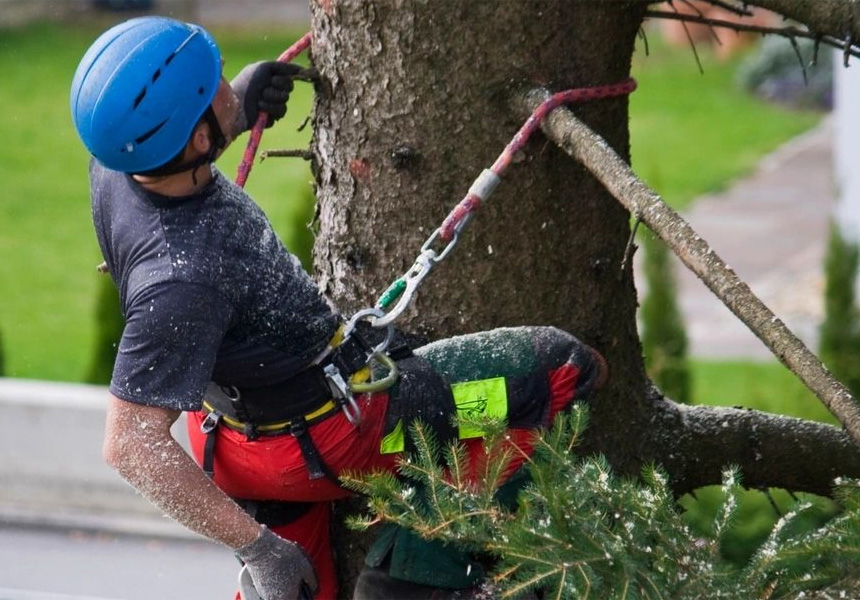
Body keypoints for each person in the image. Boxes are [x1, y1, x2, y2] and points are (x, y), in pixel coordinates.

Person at [70, 16, 608, 600]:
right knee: (555, 370)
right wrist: (257, 549)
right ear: (196, 140)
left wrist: (240, 104)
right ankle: (412, 580)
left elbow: (177, 144)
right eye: (216, 86)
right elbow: (130, 445)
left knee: (304, 587)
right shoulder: (185, 278)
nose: (227, 82)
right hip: (332, 440)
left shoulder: (116, 163)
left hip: (229, 441)